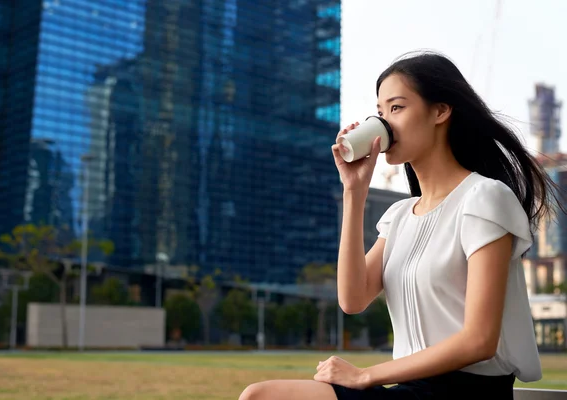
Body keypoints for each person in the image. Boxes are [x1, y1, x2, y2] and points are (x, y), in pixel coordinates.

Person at [238, 51, 565, 400]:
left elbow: (480, 341)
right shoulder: (399, 216)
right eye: (380, 113)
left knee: (262, 397)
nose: (384, 123)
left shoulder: (484, 198)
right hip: (410, 389)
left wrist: (366, 375)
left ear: (441, 111)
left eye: (396, 108)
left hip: (468, 392)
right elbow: (352, 299)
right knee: (258, 394)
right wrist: (354, 192)